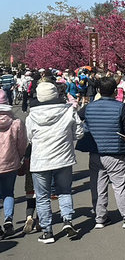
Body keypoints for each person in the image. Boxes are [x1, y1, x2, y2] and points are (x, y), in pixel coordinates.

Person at [26, 82, 84, 244]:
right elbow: (79, 132)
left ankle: (47, 231)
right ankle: (67, 221)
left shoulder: (32, 115)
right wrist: (67, 138)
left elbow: (29, 137)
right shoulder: (68, 111)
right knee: (65, 191)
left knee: (43, 197)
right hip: (63, 158)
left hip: (40, 161)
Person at [81, 76, 125, 229]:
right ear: (115, 90)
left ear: (99, 90)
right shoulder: (120, 107)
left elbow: (77, 118)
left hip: (95, 153)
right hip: (115, 152)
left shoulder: (89, 107)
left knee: (98, 186)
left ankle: (100, 217)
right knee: (121, 186)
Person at [0, 90, 27, 237]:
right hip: (10, 162)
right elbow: (22, 144)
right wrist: (21, 157)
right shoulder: (16, 123)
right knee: (8, 192)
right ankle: (8, 219)